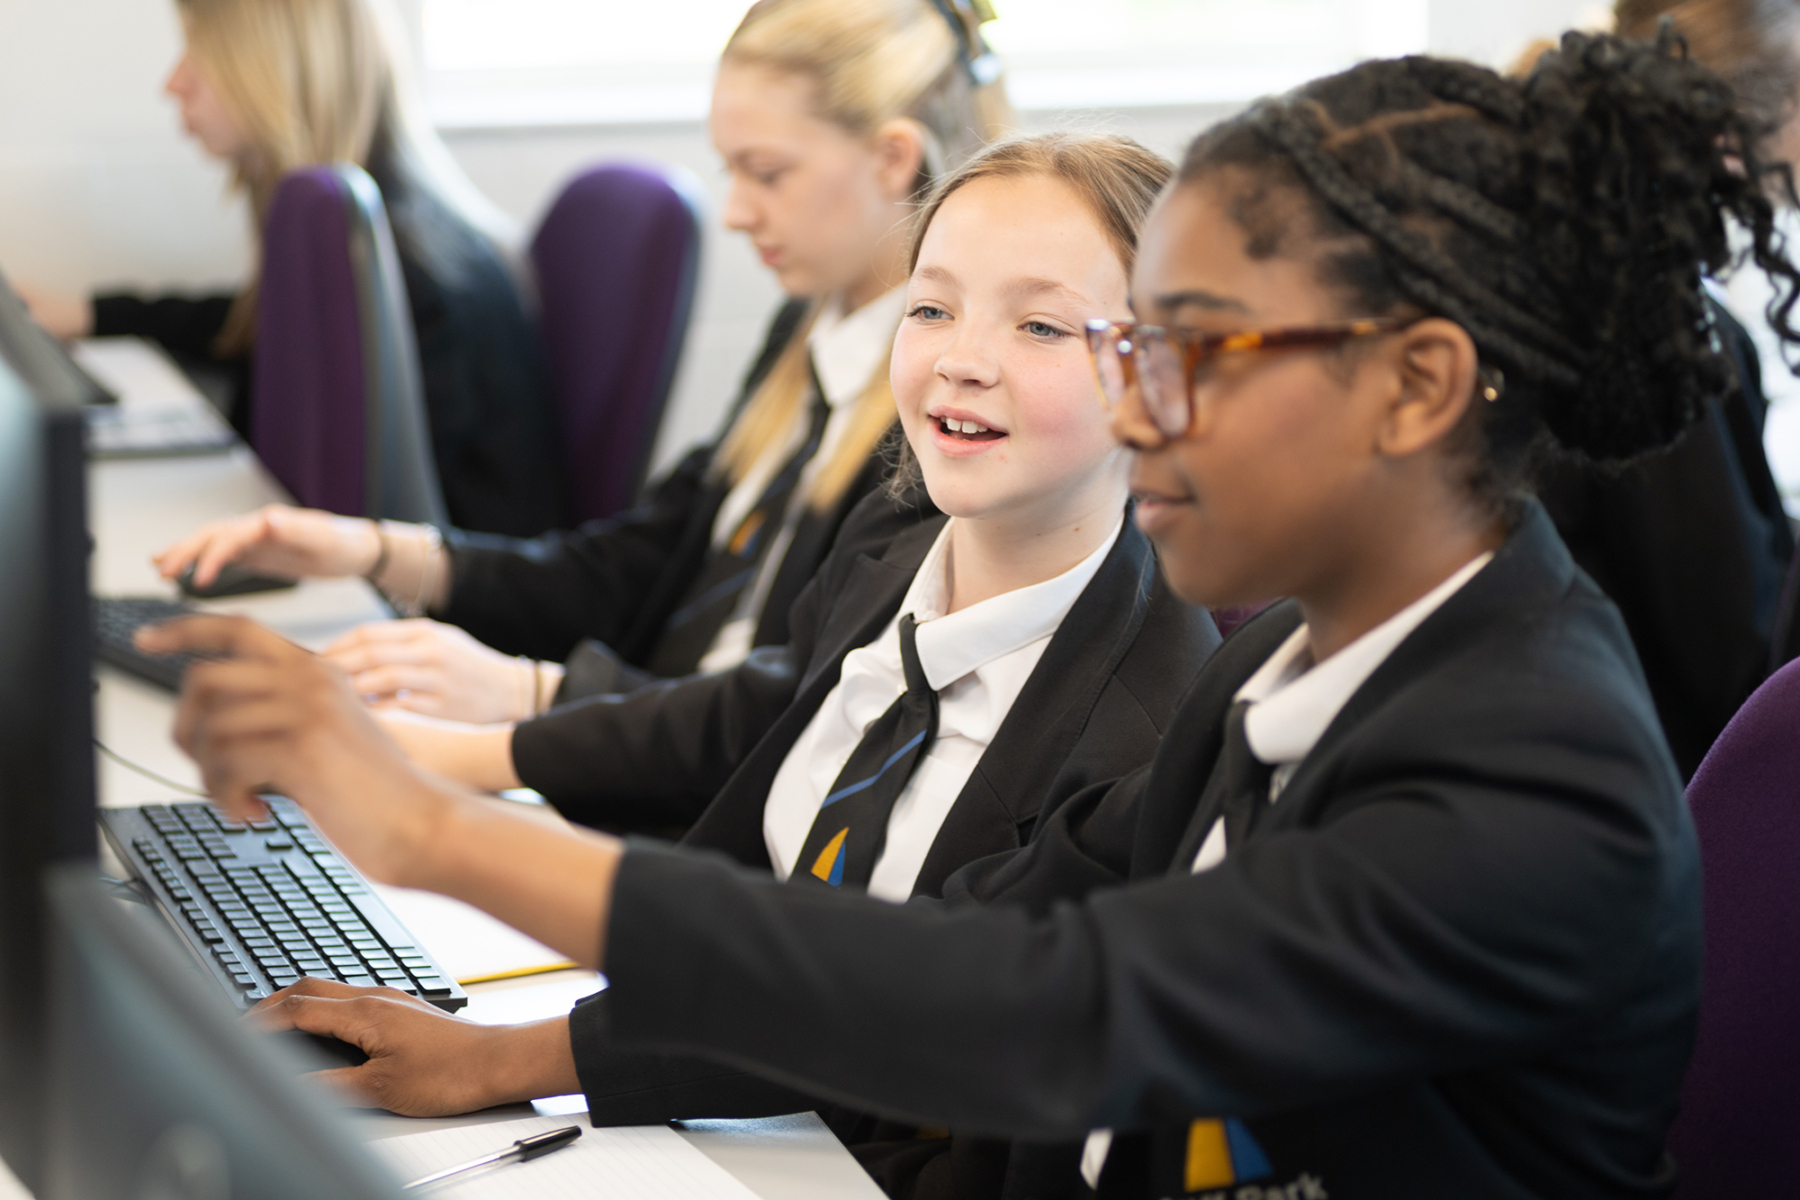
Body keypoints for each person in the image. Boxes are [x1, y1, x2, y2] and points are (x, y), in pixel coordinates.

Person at [148, 29, 1782, 1199]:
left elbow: (1049, 1014)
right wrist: (511, 1051)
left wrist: (435, 834)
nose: (1138, 417)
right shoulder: (1301, 665)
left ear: (1416, 386)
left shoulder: (1527, 778)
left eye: (1187, 351)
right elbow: (964, 939)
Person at [153, 130, 1217, 1199]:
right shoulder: (886, 547)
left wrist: (507, 1053)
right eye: (931, 305)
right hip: (702, 1097)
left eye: (1039, 324)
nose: (960, 356)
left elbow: (868, 1002)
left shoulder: (1155, 734)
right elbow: (746, 730)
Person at [151, 0, 1016, 728]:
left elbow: (800, 712)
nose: (737, 214)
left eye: (766, 173)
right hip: (632, 739)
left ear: (892, 159)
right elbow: (645, 558)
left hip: (697, 809)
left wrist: (532, 696)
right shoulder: (812, 332)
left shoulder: (945, 411)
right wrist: (379, 552)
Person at [21, 0, 565, 537]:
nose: (173, 84)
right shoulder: (376, 234)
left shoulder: (413, 275)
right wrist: (91, 313)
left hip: (437, 606)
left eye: (199, 54)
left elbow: (427, 539)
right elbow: (259, 322)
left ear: (276, 68)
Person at [1497, 0, 1800, 777]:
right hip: (1663, 784)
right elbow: (1736, 657)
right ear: (1737, 125)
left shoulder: (1551, 275)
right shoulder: (1650, 333)